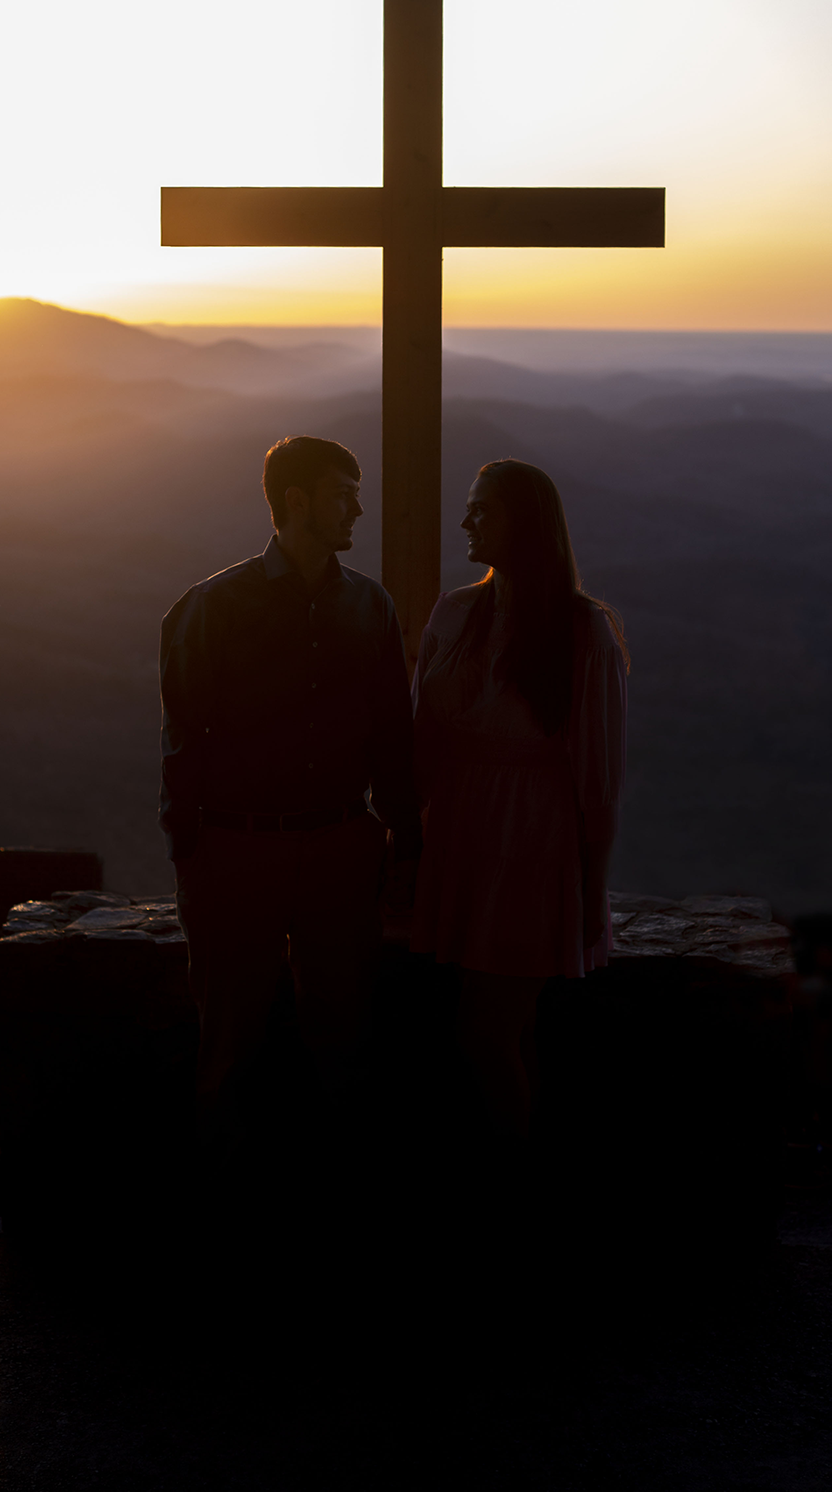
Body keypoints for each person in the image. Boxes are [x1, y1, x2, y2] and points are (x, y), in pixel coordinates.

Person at [159, 435, 419, 1153]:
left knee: (347, 1044)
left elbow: (394, 738)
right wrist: (193, 854)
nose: (358, 511)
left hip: (339, 849)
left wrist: (406, 847)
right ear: (296, 502)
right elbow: (184, 741)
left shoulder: (371, 608)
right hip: (234, 854)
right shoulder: (212, 608)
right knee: (228, 1047)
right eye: (345, 494)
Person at [410, 458, 628, 1141]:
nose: (468, 520)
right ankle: (522, 1177)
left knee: (485, 1029)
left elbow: (598, 773)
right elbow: (420, 731)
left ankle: (510, 1191)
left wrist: (593, 890)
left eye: (484, 509)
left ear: (526, 524)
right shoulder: (456, 612)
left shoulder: (582, 631)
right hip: (463, 834)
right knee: (510, 1028)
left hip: (530, 843)